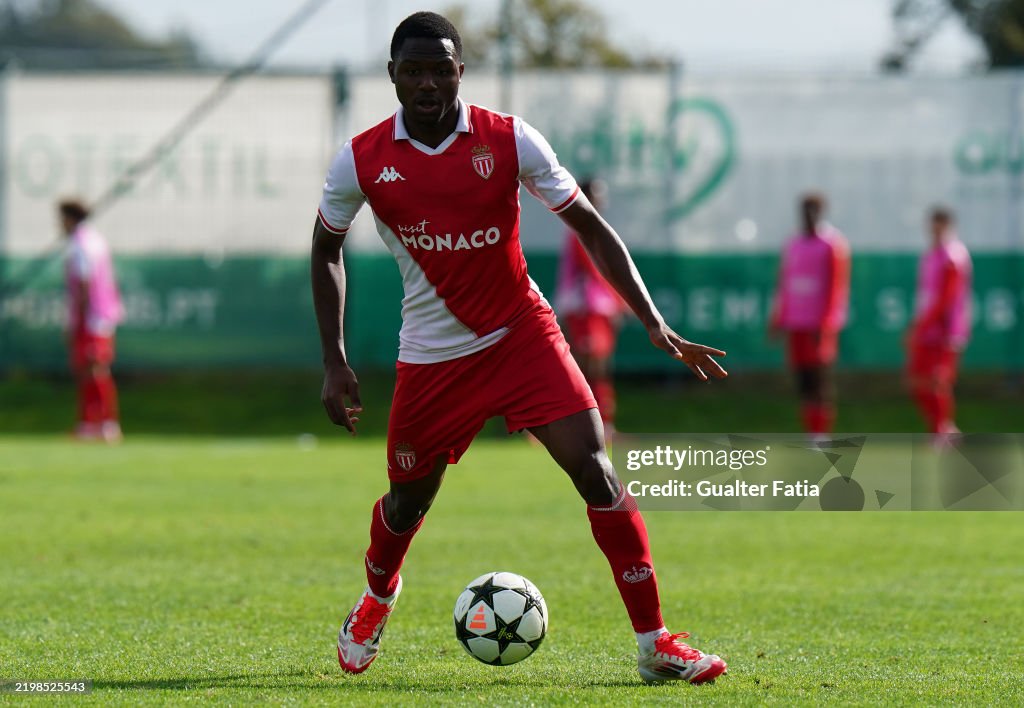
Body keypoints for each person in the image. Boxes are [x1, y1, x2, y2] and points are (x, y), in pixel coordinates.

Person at [311, 12, 728, 685]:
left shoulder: (508, 140)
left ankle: (655, 644)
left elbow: (590, 227)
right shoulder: (361, 159)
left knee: (596, 470)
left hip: (521, 336)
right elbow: (326, 246)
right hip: (432, 355)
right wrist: (334, 360)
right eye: (412, 70)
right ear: (392, 76)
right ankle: (377, 598)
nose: (426, 82)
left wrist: (653, 322)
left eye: (439, 69)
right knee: (407, 501)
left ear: (460, 72)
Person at [769, 193, 850, 437]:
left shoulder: (833, 244)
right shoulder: (793, 243)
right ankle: (809, 432)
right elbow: (785, 283)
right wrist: (778, 318)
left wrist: (825, 323)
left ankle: (821, 432)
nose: (809, 215)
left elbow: (837, 287)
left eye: (814, 210)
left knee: (819, 380)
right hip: (797, 324)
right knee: (802, 379)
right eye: (805, 210)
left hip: (818, 325)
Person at [554, 178, 626, 435]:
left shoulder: (591, 229)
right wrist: (622, 301)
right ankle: (577, 425)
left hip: (596, 309)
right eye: (596, 194)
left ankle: (602, 424)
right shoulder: (580, 231)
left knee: (597, 369)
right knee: (586, 369)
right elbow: (595, 272)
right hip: (584, 309)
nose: (601, 200)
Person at [59, 199, 123, 442]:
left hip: (91, 316)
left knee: (94, 369)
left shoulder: (81, 245)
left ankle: (102, 423)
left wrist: (77, 320)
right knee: (92, 369)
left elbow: (84, 286)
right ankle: (94, 423)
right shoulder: (95, 240)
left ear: (71, 218)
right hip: (102, 313)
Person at [906, 206, 972, 436]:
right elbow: (927, 296)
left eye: (940, 224)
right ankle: (938, 428)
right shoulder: (930, 255)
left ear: (948, 226)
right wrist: (918, 324)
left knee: (937, 381)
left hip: (945, 329)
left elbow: (947, 297)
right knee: (917, 381)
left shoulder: (953, 255)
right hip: (926, 328)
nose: (935, 229)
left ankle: (943, 430)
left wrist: (925, 324)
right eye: (933, 224)